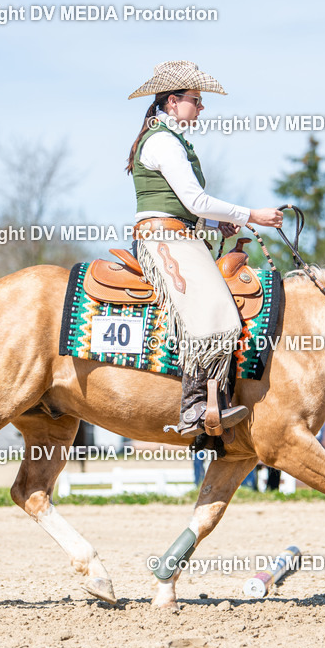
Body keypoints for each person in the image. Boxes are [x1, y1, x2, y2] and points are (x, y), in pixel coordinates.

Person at [126, 60, 284, 439]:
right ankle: (195, 407)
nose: (201, 107)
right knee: (216, 311)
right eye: (195, 100)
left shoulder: (171, 139)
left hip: (180, 235)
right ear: (172, 101)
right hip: (165, 240)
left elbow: (186, 209)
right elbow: (195, 201)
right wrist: (252, 215)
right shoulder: (163, 141)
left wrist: (215, 225)